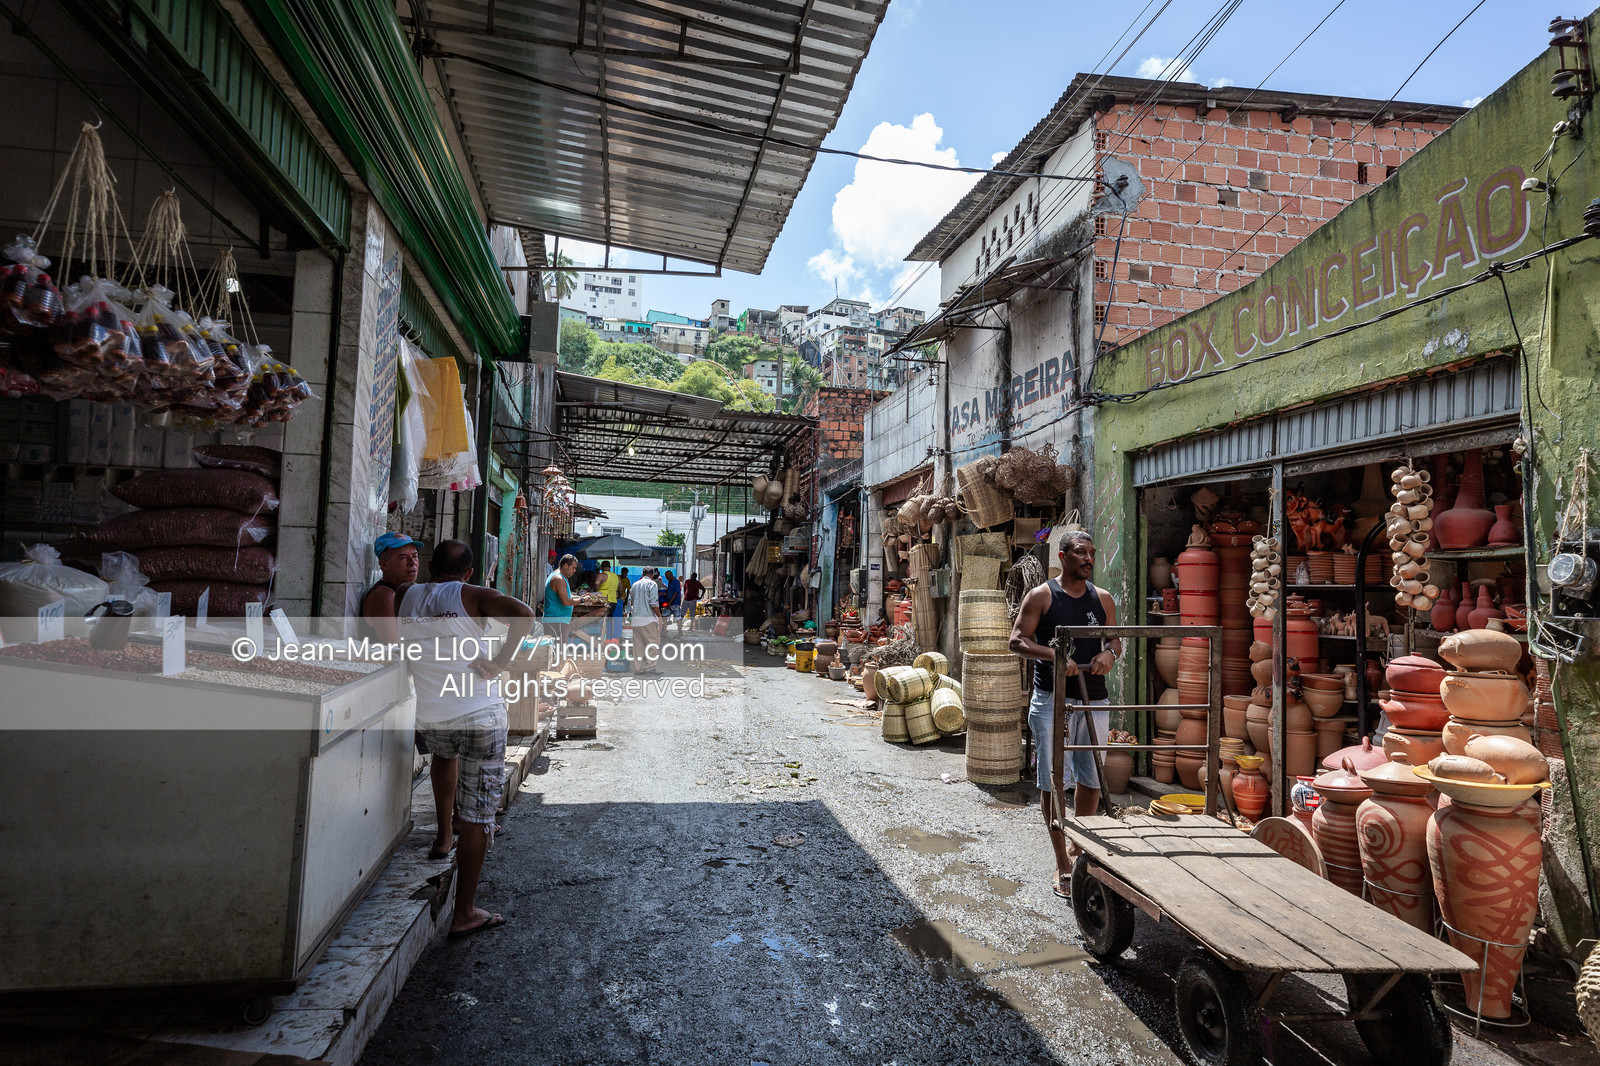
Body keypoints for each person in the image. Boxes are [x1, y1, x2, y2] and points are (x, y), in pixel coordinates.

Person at [398, 540, 535, 938]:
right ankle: (465, 912)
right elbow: (525, 615)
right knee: (478, 817)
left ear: (429, 567)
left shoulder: (405, 594)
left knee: (444, 758)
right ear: (470, 572)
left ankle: (443, 837)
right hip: (479, 715)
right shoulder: (472, 595)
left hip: (433, 713)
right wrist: (501, 661)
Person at [1010, 530, 1121, 901]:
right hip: (1051, 700)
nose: (1088, 559)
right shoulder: (1042, 596)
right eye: (1080, 552)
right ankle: (1061, 860)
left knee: (1091, 777)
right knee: (1054, 781)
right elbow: (1017, 640)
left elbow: (1114, 638)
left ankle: (1079, 847)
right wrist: (1055, 656)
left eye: (1092, 552)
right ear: (1062, 556)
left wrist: (1110, 653)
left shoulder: (1102, 598)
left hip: (1094, 699)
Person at [359, 532, 420, 643]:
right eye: (403, 557)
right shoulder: (384, 595)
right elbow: (393, 644)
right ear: (384, 565)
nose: (412, 562)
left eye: (415, 556)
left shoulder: (403, 591)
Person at [628, 566, 662, 674]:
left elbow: (631, 601)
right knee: (653, 644)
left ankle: (638, 669)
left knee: (638, 646)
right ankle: (650, 667)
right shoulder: (652, 584)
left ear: (642, 574)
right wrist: (659, 617)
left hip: (636, 620)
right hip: (648, 619)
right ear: (652, 574)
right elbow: (653, 603)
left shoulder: (634, 585)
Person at [543, 554, 579, 642]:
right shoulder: (558, 579)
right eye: (573, 568)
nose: (574, 571)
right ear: (566, 565)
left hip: (558, 620)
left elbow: (566, 596)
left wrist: (582, 597)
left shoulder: (560, 577)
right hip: (556, 620)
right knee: (560, 648)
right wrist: (582, 600)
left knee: (558, 648)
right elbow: (566, 601)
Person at [660, 569, 682, 635]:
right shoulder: (669, 582)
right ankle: (664, 631)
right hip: (669, 603)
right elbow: (670, 592)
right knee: (664, 616)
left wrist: (670, 602)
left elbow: (676, 593)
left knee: (678, 618)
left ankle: (680, 632)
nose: (666, 578)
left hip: (675, 604)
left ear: (671, 575)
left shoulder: (676, 582)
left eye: (667, 577)